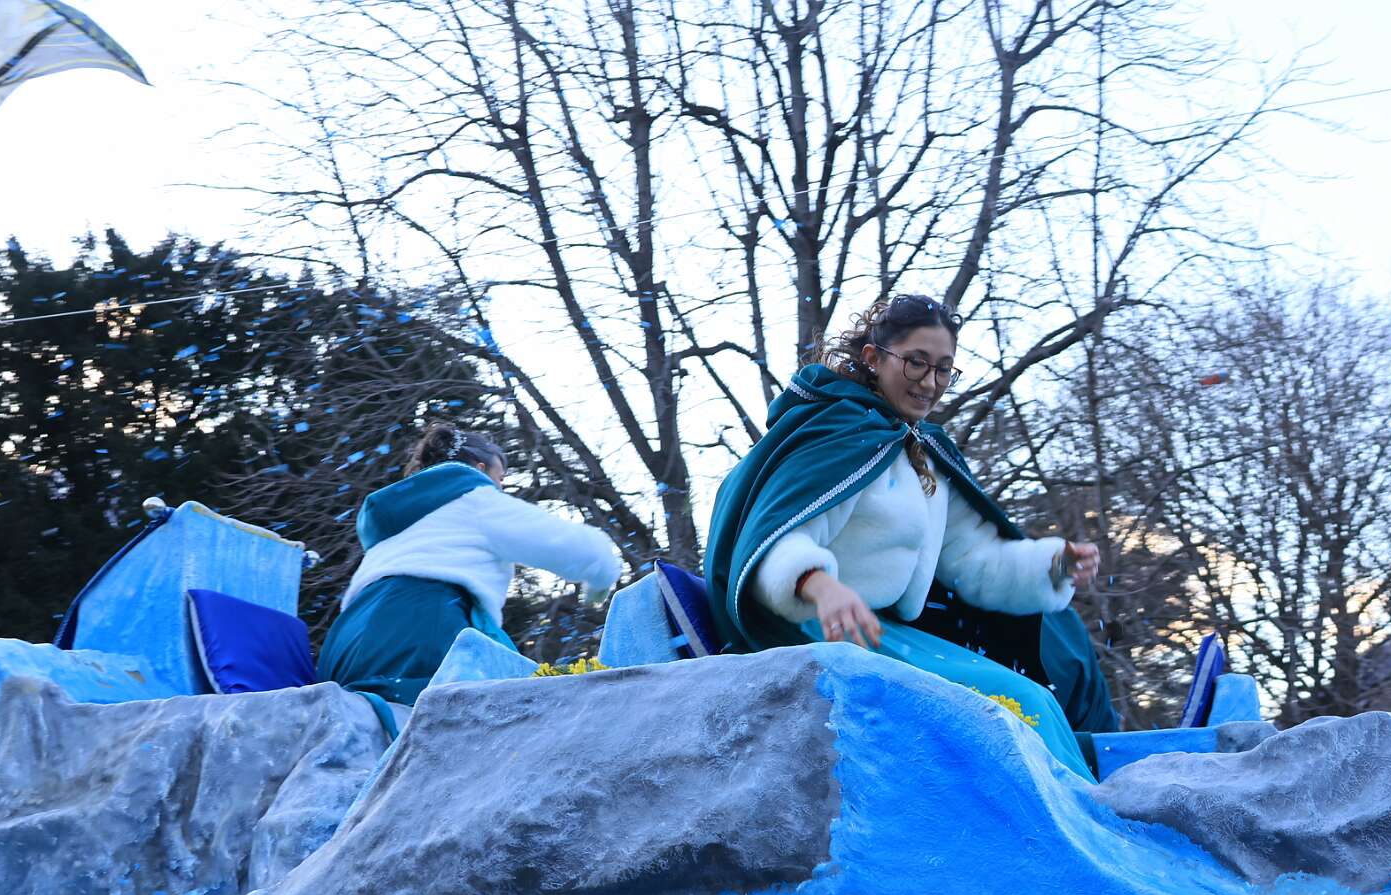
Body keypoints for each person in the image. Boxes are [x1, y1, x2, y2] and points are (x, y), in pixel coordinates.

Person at [704, 294, 1117, 778]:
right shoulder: (837, 433)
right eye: (916, 362)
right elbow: (778, 542)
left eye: (944, 369)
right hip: (821, 635)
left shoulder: (920, 452)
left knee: (1036, 696)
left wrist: (1052, 565)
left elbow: (975, 560)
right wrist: (823, 588)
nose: (930, 382)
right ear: (873, 357)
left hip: (886, 636)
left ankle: (1083, 807)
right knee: (1019, 705)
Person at [319, 425, 624, 709]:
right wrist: (601, 577)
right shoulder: (473, 498)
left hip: (346, 641)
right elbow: (577, 547)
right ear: (480, 469)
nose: (500, 487)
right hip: (421, 625)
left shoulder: (399, 522)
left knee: (363, 729)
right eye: (500, 477)